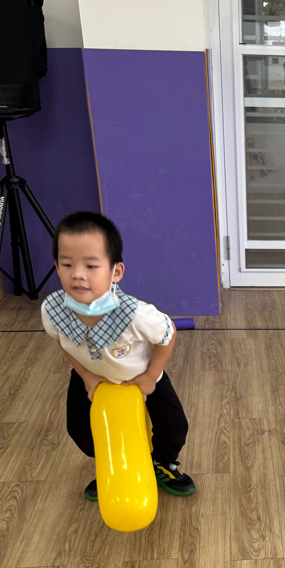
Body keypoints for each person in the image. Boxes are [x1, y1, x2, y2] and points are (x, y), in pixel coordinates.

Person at [41, 211, 194, 501]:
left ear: (116, 272)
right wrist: (85, 374)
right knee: (79, 430)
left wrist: (151, 376)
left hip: (141, 374)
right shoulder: (54, 311)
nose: (78, 274)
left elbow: (168, 333)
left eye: (91, 265)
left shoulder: (134, 314)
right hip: (91, 376)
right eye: (67, 264)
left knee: (175, 428)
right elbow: (62, 340)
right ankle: (111, 465)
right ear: (57, 267)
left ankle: (161, 463)